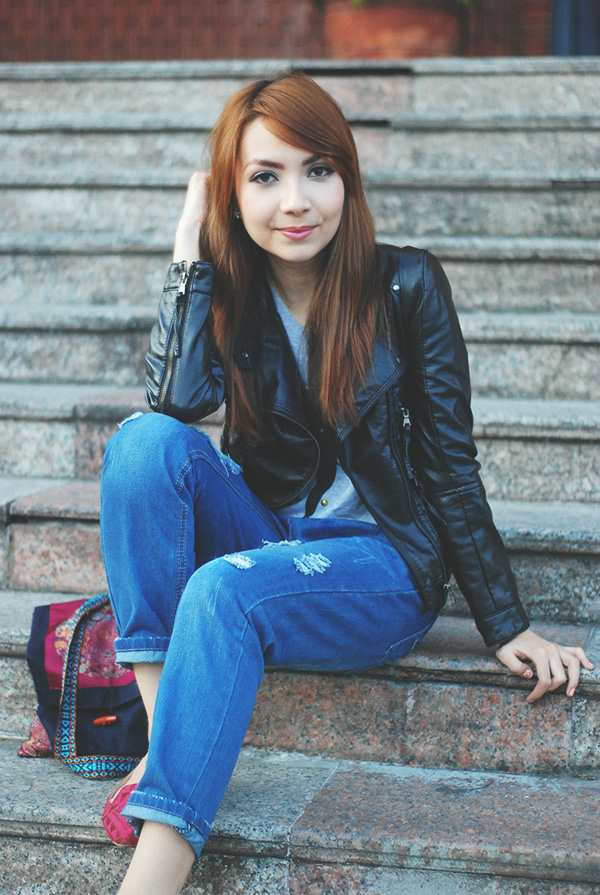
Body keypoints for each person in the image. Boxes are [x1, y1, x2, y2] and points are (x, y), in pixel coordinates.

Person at [99, 71, 594, 895]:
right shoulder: (231, 291)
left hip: (380, 562)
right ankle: (164, 732)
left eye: (318, 170)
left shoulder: (408, 286)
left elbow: (450, 463)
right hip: (270, 537)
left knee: (221, 591)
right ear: (231, 195)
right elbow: (178, 403)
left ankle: (151, 878)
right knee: (141, 443)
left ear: (346, 180)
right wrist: (190, 252)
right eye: (265, 176)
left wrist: (506, 621)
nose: (296, 201)